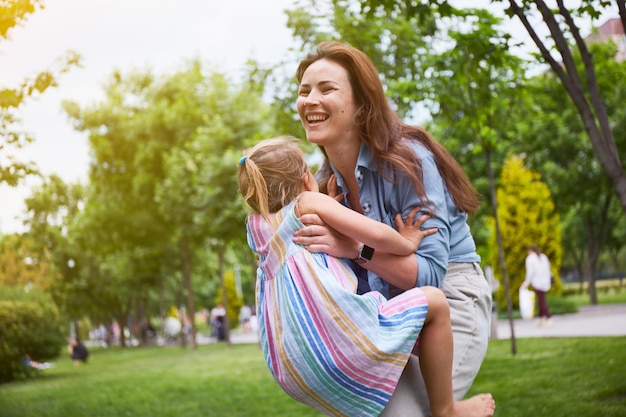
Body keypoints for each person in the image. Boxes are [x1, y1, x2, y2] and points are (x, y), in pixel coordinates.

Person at [291, 41, 493, 416]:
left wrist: (353, 247)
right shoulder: (323, 188)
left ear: (362, 104)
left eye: (326, 89)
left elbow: (431, 274)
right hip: (387, 314)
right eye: (304, 91)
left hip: (450, 299)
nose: (310, 100)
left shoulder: (408, 161)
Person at [238, 137, 495, 417]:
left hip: (297, 366)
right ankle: (447, 409)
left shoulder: (257, 229)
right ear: (304, 182)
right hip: (347, 341)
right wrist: (406, 241)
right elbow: (375, 234)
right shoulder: (307, 202)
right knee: (434, 302)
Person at [521, 244, 553, 326]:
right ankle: (540, 319)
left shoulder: (530, 259)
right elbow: (549, 269)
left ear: (530, 250)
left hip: (537, 282)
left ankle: (548, 317)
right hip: (545, 281)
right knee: (541, 300)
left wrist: (526, 283)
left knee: (541, 301)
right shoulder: (543, 257)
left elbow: (530, 273)